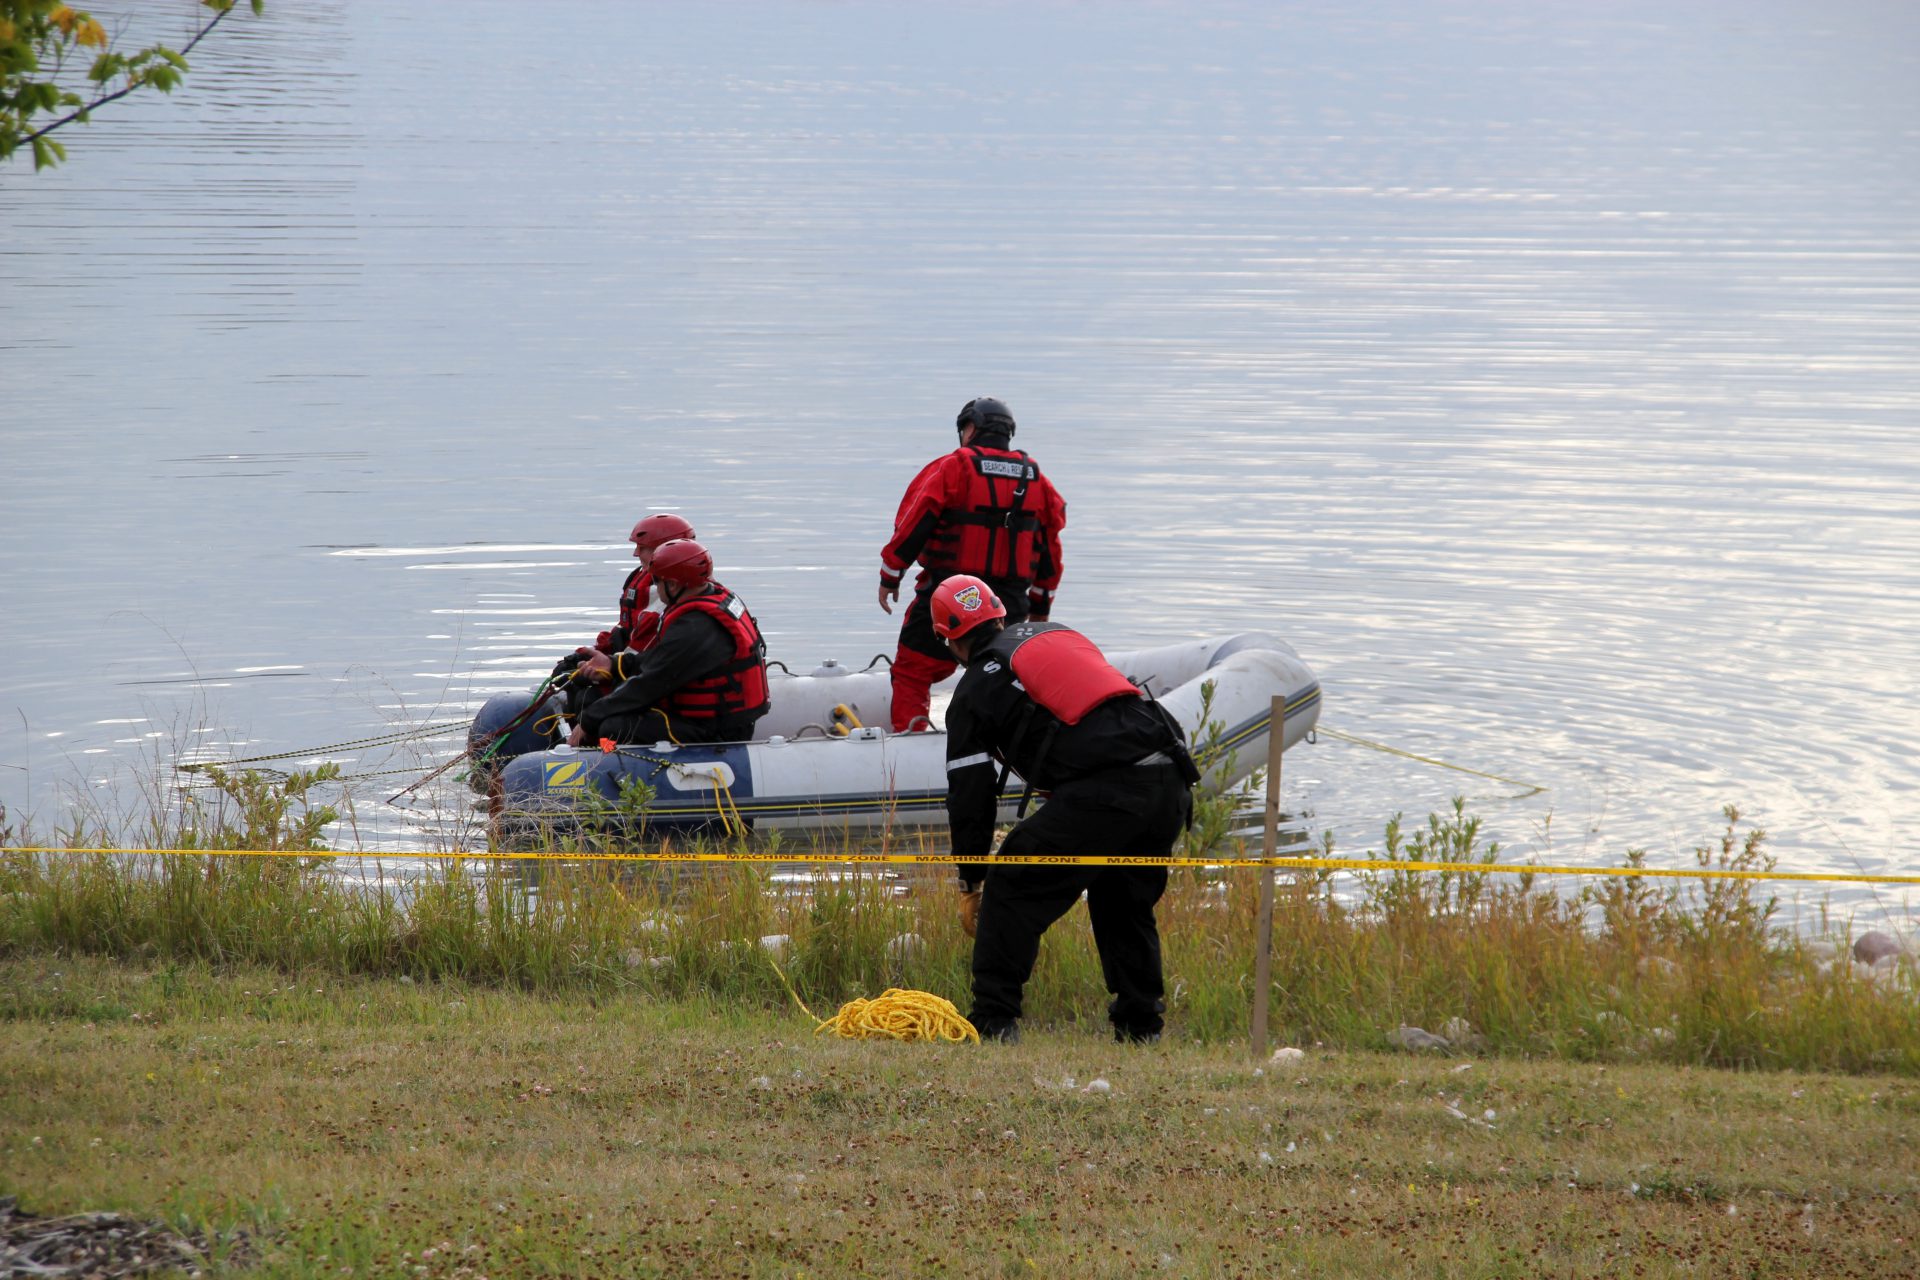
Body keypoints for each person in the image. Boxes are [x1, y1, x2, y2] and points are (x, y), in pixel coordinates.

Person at [931, 573, 1198, 1044]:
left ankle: (994, 1021)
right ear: (998, 611)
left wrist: (972, 880)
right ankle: (1142, 1029)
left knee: (1012, 881)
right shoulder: (1057, 633)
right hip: (1169, 775)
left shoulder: (972, 691)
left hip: (1112, 786)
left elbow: (970, 796)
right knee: (1123, 899)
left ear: (946, 638)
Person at [878, 397, 1066, 732]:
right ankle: (1003, 742)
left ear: (971, 429)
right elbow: (1050, 549)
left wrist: (891, 574)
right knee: (1002, 675)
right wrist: (1039, 608)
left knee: (913, 672)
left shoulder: (954, 467)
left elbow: (916, 519)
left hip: (947, 597)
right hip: (1006, 604)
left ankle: (911, 744)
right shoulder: (1038, 480)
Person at [567, 539, 771, 747]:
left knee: (613, 727)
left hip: (716, 729)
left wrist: (589, 720)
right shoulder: (707, 598)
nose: (655, 587)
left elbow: (649, 684)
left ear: (673, 584)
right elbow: (660, 660)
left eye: (656, 581)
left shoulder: (695, 627)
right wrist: (613, 664)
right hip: (710, 717)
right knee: (594, 699)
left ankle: (600, 767)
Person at [553, 513, 695, 726]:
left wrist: (604, 668)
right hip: (638, 668)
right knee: (574, 682)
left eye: (642, 548)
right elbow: (626, 630)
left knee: (588, 698)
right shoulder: (645, 580)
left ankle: (595, 751)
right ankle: (579, 745)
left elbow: (644, 653)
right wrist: (591, 654)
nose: (635, 553)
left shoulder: (671, 593)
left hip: (663, 687)